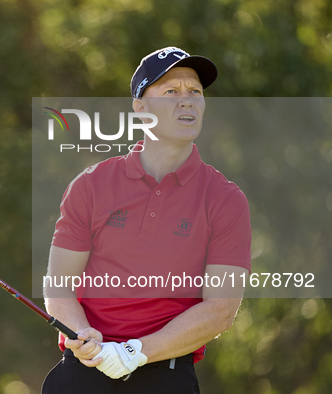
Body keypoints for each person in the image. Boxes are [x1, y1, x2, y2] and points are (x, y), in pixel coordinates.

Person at [41, 46, 251, 393]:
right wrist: (81, 332)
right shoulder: (91, 185)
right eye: (171, 91)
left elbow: (220, 310)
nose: (187, 101)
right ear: (141, 108)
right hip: (84, 367)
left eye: (195, 92)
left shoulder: (225, 199)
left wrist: (134, 352)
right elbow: (59, 285)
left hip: (165, 373)